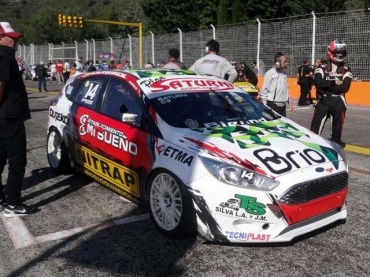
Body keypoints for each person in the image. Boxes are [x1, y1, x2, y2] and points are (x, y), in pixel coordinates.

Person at [0, 22, 36, 216]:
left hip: (5, 116)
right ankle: (13, 203)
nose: (15, 40)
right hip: (9, 117)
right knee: (17, 160)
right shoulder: (4, 55)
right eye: (11, 37)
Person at [310, 39, 353, 147]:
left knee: (337, 131)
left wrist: (326, 85)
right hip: (323, 100)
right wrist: (334, 82)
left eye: (342, 52)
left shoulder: (346, 69)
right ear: (331, 52)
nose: (340, 54)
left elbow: (344, 87)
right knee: (314, 130)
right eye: (338, 52)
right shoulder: (322, 68)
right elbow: (317, 83)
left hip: (338, 101)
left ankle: (335, 149)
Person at [259, 52, 293, 116]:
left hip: (283, 106)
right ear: (278, 63)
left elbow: (286, 88)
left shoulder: (284, 74)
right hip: (273, 105)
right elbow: (264, 91)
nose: (286, 63)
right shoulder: (270, 73)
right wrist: (265, 106)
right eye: (285, 62)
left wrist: (289, 101)